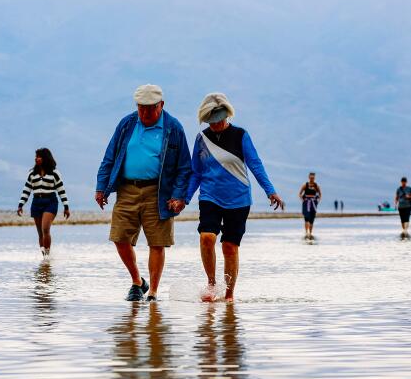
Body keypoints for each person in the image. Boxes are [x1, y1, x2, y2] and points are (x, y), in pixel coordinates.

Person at [181, 93, 284, 302]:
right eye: (212, 120)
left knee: (229, 246)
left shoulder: (240, 135)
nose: (216, 124)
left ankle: (229, 294)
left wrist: (270, 190)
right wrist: (185, 198)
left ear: (227, 115)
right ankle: (211, 285)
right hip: (210, 196)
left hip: (238, 199)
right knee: (207, 237)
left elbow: (255, 164)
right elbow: (196, 172)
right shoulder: (202, 139)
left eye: (219, 119)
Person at [96, 84, 191, 301]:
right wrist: (101, 187)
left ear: (161, 105)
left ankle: (154, 292)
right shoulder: (127, 124)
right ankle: (138, 282)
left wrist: (179, 196)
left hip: (159, 192)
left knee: (157, 242)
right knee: (119, 237)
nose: (145, 113)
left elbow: (184, 167)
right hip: (127, 189)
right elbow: (109, 157)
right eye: (141, 108)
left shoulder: (173, 128)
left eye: (150, 108)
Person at [18, 147, 70, 257]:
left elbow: (61, 190)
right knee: (40, 233)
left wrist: (66, 206)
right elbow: (27, 189)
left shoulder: (54, 173)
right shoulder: (32, 174)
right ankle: (44, 258)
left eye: (39, 157)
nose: (36, 159)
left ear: (45, 158)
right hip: (36, 202)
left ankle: (47, 254)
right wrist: (21, 204)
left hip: (50, 201)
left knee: (45, 229)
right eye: (36, 157)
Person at [298, 172, 321, 239]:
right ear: (309, 177)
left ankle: (310, 233)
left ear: (314, 178)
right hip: (306, 203)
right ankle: (306, 232)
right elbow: (300, 193)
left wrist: (318, 200)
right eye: (311, 178)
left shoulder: (316, 186)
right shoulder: (305, 185)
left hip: (313, 203)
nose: (312, 179)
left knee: (312, 219)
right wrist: (303, 200)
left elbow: (320, 194)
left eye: (313, 178)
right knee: (306, 218)